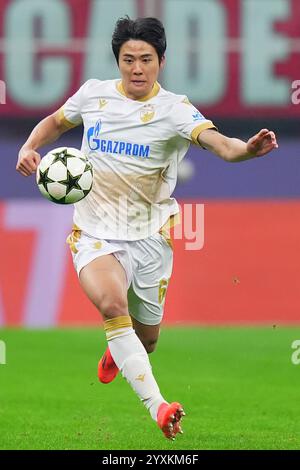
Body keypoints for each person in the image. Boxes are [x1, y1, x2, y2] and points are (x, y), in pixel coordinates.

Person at [16, 16, 278, 440]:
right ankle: (159, 407)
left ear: (161, 61)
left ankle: (118, 351)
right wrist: (31, 147)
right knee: (111, 306)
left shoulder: (175, 109)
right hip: (95, 231)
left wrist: (248, 149)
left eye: (146, 60)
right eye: (128, 59)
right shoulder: (94, 95)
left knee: (147, 339)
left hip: (151, 238)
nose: (136, 68)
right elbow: (54, 123)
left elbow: (222, 146)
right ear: (117, 61)